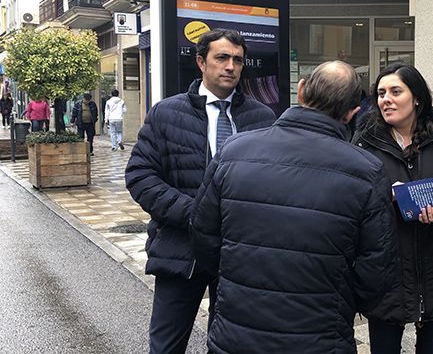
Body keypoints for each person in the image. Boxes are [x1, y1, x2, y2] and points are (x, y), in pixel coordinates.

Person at [191, 60, 395, 353]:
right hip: (322, 336)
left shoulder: (234, 150)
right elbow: (377, 269)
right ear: (353, 112)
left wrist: (234, 277)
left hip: (237, 332)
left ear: (300, 91)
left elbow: (202, 236)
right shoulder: (367, 171)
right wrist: (341, 297)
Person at [125, 29, 276, 354]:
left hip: (238, 255)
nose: (231, 66)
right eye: (222, 58)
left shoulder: (262, 118)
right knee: (166, 345)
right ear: (201, 62)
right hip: (181, 249)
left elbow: (274, 182)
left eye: (237, 60)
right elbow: (140, 176)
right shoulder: (166, 113)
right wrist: (195, 214)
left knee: (230, 346)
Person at [352, 64, 433, 354]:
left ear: (416, 98)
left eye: (395, 92)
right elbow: (351, 201)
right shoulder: (364, 141)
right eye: (381, 93)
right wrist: (385, 197)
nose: (386, 99)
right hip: (387, 271)